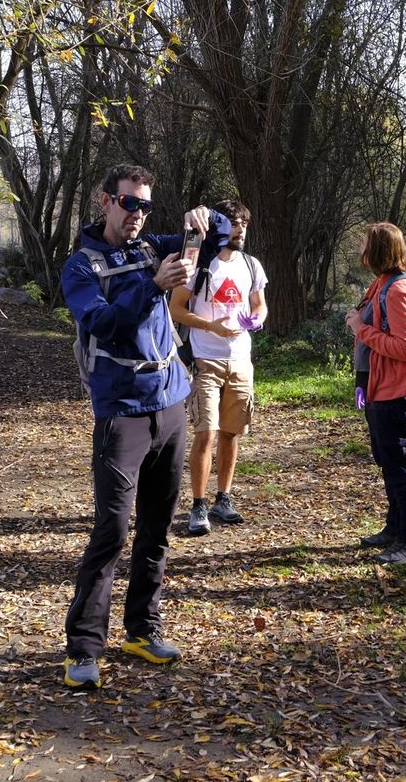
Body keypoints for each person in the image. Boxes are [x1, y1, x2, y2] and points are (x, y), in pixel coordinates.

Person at [60, 163, 211, 690]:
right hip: (120, 413)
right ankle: (83, 647)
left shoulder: (151, 248)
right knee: (112, 531)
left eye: (146, 206)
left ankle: (143, 629)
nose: (138, 215)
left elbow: (210, 238)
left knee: (156, 529)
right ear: (106, 202)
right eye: (129, 204)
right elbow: (100, 321)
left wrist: (201, 222)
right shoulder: (81, 267)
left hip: (170, 405)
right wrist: (152, 285)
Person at [171, 199, 269, 535]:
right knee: (205, 433)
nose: (239, 230)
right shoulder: (199, 262)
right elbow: (176, 309)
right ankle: (198, 505)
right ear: (218, 227)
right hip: (205, 359)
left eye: (243, 224)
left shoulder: (252, 265)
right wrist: (211, 327)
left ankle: (223, 499)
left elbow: (260, 305)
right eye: (232, 224)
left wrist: (256, 320)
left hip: (241, 359)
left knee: (232, 432)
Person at [344, 222, 406, 566]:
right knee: (388, 461)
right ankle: (394, 529)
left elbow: (404, 348)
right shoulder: (380, 283)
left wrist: (359, 329)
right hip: (378, 390)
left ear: (378, 249)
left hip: (398, 391)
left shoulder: (399, 291)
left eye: (365, 243)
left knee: (400, 464)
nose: (360, 249)